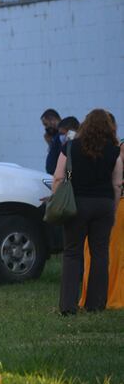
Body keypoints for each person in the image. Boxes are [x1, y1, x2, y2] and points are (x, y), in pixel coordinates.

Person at [51, 109, 123, 314]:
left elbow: (59, 176)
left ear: (85, 125)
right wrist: (113, 207)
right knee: (100, 253)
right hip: (104, 205)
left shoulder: (70, 147)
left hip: (76, 204)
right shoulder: (114, 151)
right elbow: (117, 184)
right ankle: (96, 304)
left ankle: (68, 306)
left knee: (72, 253)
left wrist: (56, 199)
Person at [80, 138, 124, 309]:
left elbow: (67, 174)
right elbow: (117, 184)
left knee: (88, 253)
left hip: (85, 205)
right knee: (109, 252)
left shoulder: (77, 149)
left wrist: (63, 188)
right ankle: (108, 295)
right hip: (109, 205)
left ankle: (94, 296)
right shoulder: (113, 152)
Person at [41, 108, 62, 175]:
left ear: (53, 120)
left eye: (46, 124)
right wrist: (50, 143)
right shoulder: (56, 136)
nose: (45, 128)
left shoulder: (65, 133)